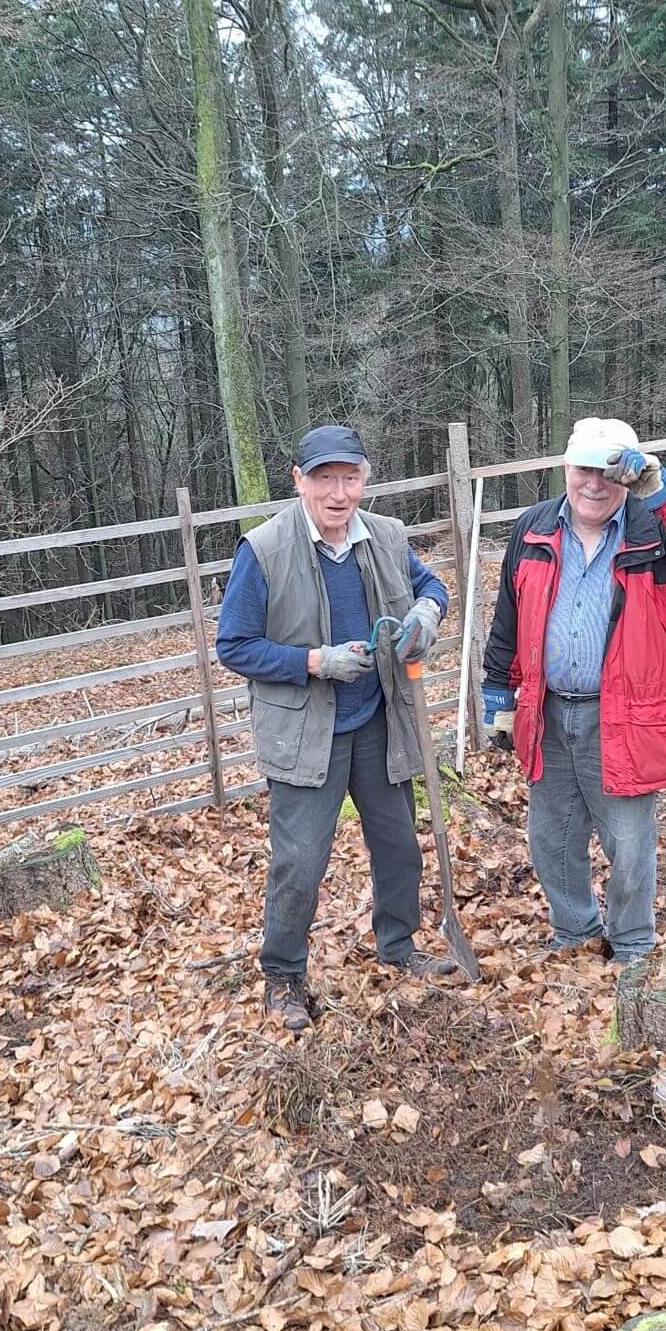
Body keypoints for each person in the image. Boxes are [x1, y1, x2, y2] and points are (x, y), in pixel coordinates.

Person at [481, 417, 666, 965]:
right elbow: (509, 616)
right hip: (549, 711)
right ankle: (575, 932)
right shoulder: (533, 529)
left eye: (610, 473)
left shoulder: (658, 534)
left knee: (627, 844)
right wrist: (497, 693)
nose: (594, 485)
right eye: (584, 470)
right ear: (565, 468)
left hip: (626, 716)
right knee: (551, 838)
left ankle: (631, 944)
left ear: (629, 477)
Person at [217, 424, 454, 1031]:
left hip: (377, 721)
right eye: (324, 478)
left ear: (365, 479)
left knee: (400, 848)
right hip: (306, 733)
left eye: (350, 478)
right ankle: (284, 977)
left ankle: (398, 946)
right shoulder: (264, 550)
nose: (338, 493)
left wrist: (427, 612)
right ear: (299, 481)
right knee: (299, 861)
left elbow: (429, 584)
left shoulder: (385, 537)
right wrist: (314, 662)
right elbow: (234, 645)